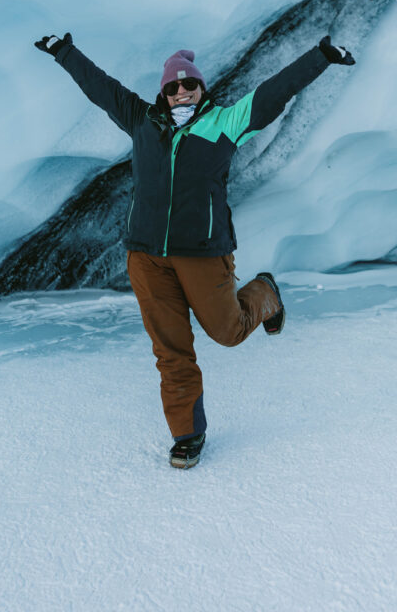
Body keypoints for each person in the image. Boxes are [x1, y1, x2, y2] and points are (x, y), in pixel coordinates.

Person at [35, 31, 355, 468]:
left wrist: (320, 57)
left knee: (228, 331)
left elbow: (273, 94)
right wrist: (64, 52)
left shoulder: (225, 122)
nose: (182, 91)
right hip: (146, 257)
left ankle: (265, 293)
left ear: (202, 88)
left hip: (203, 255)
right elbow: (100, 87)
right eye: (173, 87)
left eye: (190, 85)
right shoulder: (140, 119)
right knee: (171, 350)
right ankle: (187, 434)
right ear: (163, 92)